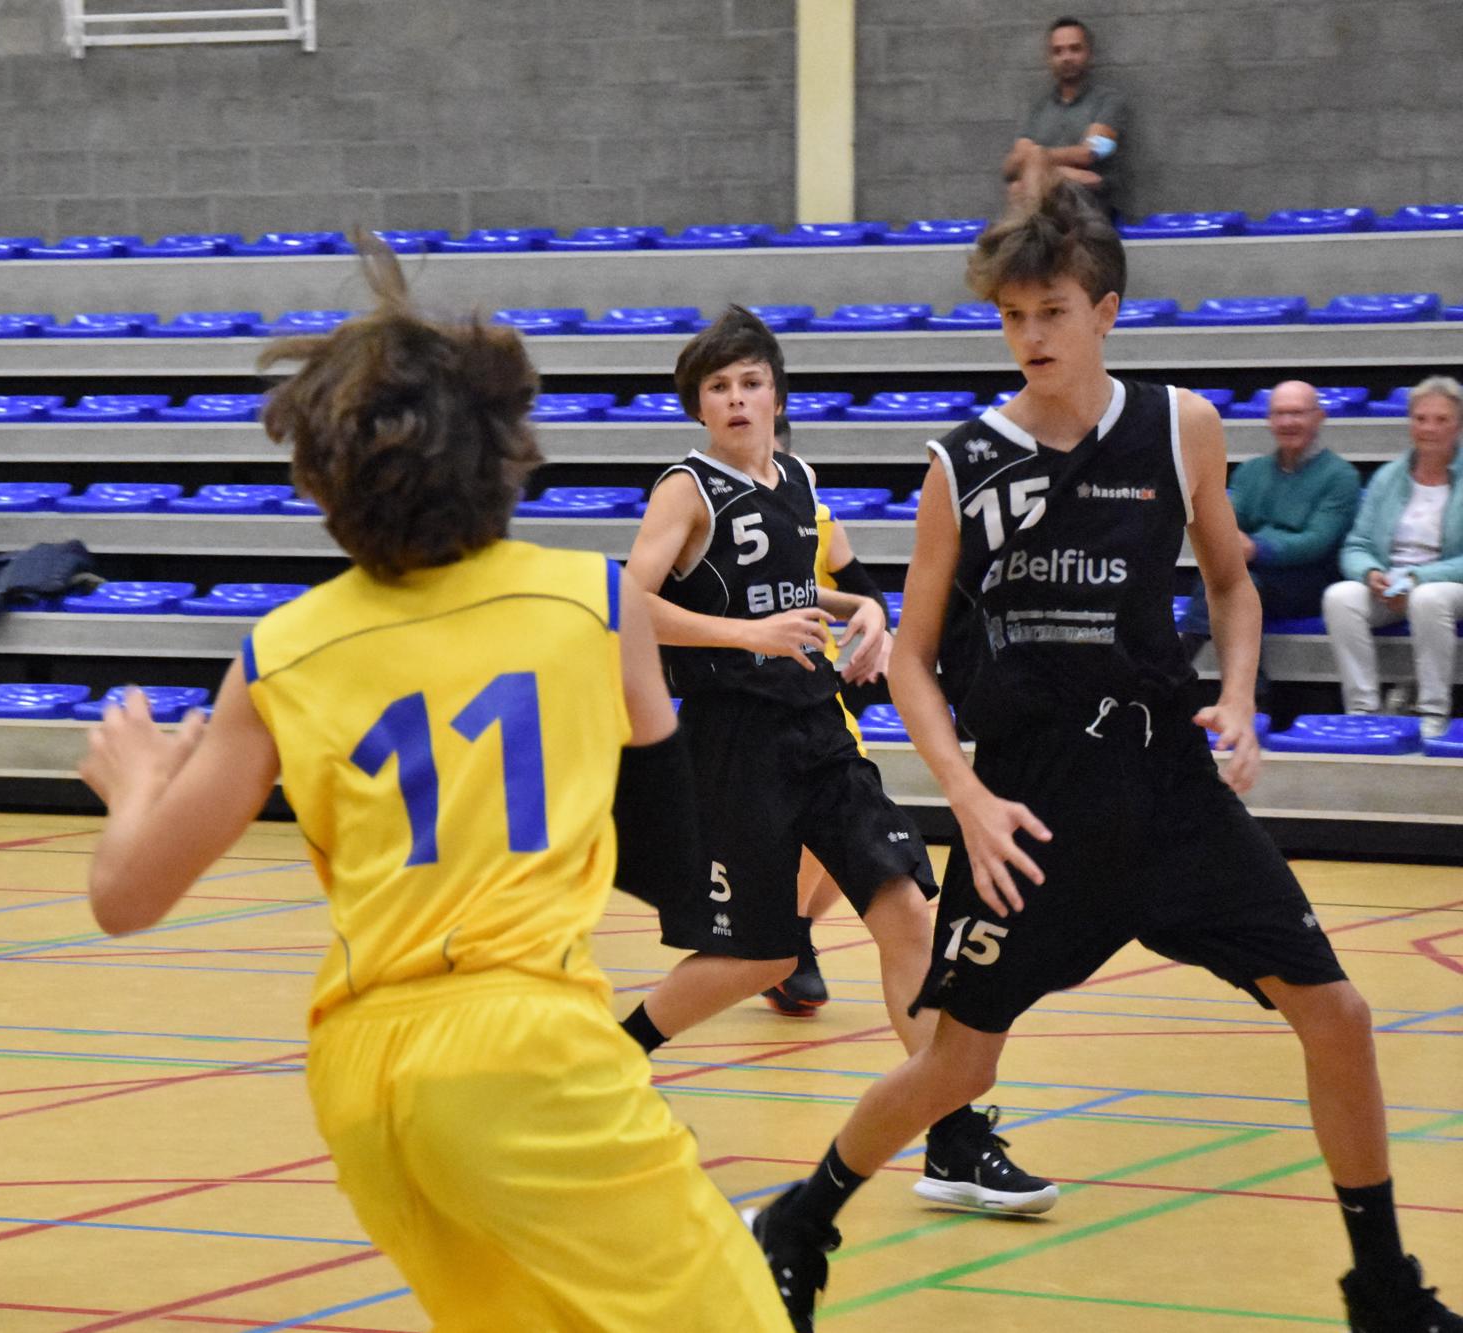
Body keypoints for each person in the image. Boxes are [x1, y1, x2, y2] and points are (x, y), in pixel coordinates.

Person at [746, 153, 1462, 1333]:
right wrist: (964, 796)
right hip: (1030, 807)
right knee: (956, 1066)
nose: (1028, 336)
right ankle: (797, 1219)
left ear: (1105, 311)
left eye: (1051, 312)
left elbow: (1229, 584)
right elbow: (910, 658)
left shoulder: (1179, 427)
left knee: (1334, 1013)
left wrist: (1239, 697)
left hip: (1166, 786)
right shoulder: (962, 462)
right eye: (1010, 317)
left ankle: (1380, 1286)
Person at [76, 240, 791, 1329]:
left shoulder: (278, 653)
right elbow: (668, 853)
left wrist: (136, 783)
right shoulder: (595, 601)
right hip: (524, 1046)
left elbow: (124, 899)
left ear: (319, 482)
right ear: (506, 450)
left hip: (362, 1077)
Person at [617, 307, 1056, 1215]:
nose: (738, 399)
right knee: (755, 957)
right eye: (719, 387)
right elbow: (630, 602)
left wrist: (869, 616)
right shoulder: (687, 490)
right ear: (698, 406)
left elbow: (816, 586)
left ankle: (954, 1139)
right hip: (734, 742)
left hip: (818, 730)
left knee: (908, 916)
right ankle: (608, 1059)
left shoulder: (797, 480)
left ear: (777, 393)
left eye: (751, 382)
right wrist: (747, 633)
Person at [762, 503, 896, 1018]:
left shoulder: (819, 518)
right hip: (754, 692)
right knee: (825, 828)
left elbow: (867, 595)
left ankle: (789, 935)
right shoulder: (717, 508)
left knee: (856, 836)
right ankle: (784, 936)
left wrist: (876, 629)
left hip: (818, 696)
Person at [1178, 380, 1360, 714]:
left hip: (1310, 581)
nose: (1288, 422)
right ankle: (1252, 694)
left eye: (1297, 413)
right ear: (1269, 420)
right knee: (1229, 581)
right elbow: (1229, 521)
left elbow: (1316, 542)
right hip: (1255, 575)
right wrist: (1231, 542)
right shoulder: (1251, 471)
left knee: (1233, 584)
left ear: (1319, 417)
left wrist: (1256, 549)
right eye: (1280, 414)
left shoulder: (1341, 476)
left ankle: (1179, 663)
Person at [1322, 376, 1463, 740]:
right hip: (1390, 583)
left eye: (1441, 419)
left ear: (1458, 426)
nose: (1429, 428)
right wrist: (1370, 573)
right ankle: (1363, 710)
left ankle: (1433, 710)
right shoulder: (1388, 477)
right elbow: (1356, 545)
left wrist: (1417, 578)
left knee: (1428, 598)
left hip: (1447, 585)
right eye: (1420, 418)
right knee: (1339, 597)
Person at [1004, 16, 1130, 217]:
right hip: (1047, 201)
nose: (1066, 57)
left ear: (1089, 53)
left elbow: (1089, 154)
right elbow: (1010, 168)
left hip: (1093, 207)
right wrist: (1063, 171)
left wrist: (1038, 157)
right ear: (1049, 58)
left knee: (1025, 184)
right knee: (1016, 188)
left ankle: (1031, 229)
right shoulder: (1038, 108)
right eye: (1058, 51)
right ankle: (1033, 230)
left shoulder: (1109, 101)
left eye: (1075, 49)